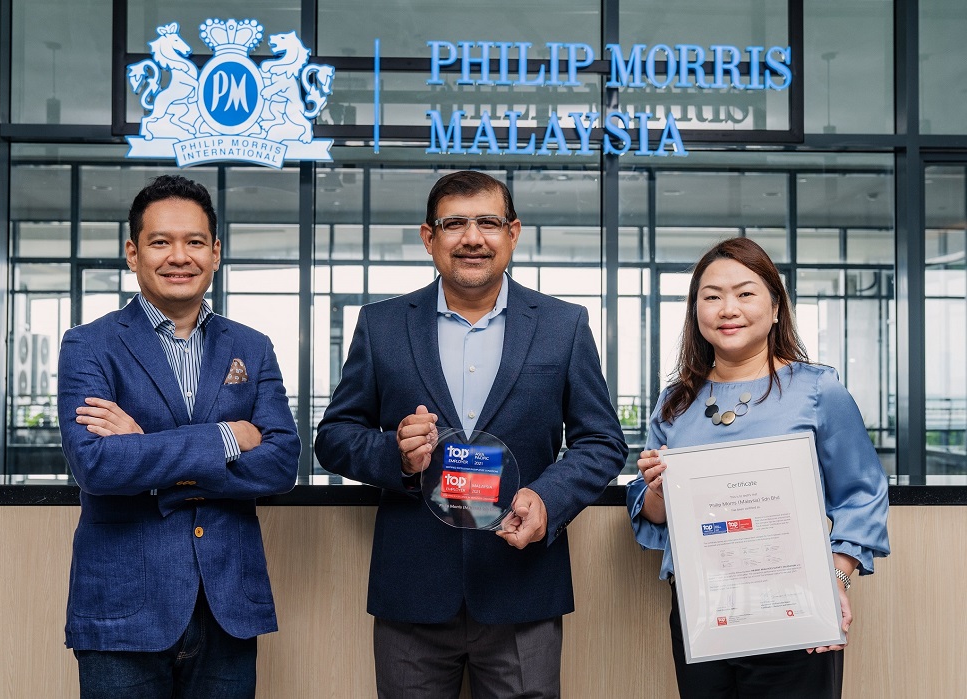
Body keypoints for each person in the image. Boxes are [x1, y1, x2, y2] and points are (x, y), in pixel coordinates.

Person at [315, 170, 628, 698]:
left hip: (520, 586)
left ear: (513, 232)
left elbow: (602, 442)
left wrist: (546, 498)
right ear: (428, 237)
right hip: (413, 590)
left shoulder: (562, 325)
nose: (472, 238)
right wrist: (396, 454)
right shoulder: (382, 325)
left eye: (488, 222)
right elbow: (334, 436)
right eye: (454, 223)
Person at [57, 174, 301, 698]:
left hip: (228, 604)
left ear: (215, 253)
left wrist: (147, 448)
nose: (179, 256)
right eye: (160, 242)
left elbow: (282, 464)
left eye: (194, 242)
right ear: (133, 252)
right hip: (123, 607)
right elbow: (96, 466)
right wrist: (226, 437)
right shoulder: (89, 346)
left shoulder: (252, 347)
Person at [627, 237, 890, 698]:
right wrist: (655, 490)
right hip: (703, 612)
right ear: (695, 313)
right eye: (711, 296)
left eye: (745, 293)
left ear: (774, 308)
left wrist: (837, 578)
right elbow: (653, 512)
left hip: (797, 608)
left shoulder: (817, 389)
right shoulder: (676, 402)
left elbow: (862, 493)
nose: (728, 308)